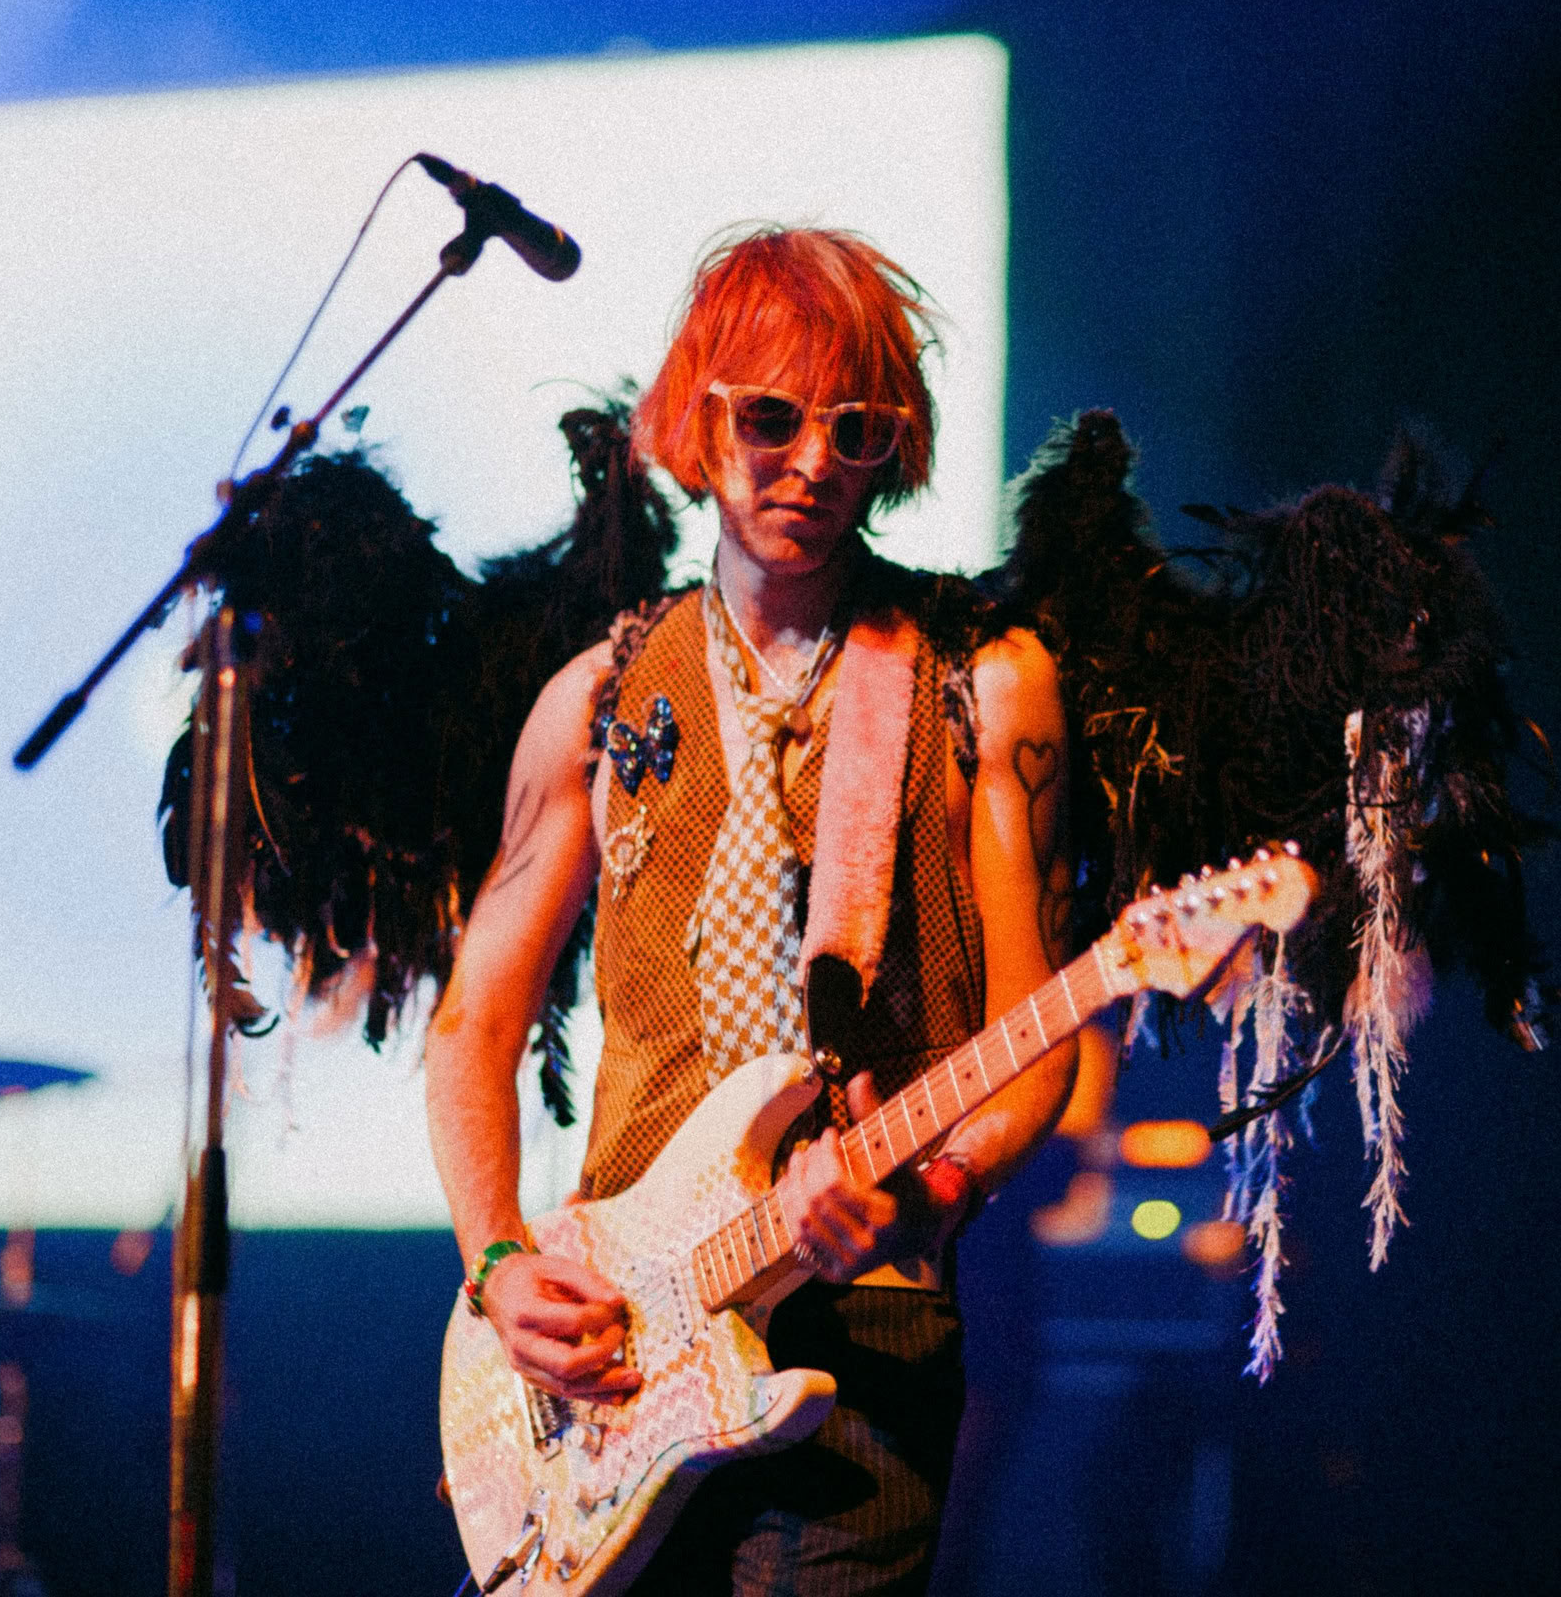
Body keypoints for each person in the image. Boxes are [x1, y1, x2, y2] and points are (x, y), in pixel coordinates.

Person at [424, 226, 1091, 1592]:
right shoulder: (601, 701)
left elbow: (1037, 1034)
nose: (813, 463)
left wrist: (933, 1195)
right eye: (772, 419)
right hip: (619, 1342)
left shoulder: (982, 682)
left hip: (867, 1337)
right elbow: (474, 1022)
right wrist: (498, 1263)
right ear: (698, 417)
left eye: (857, 430)